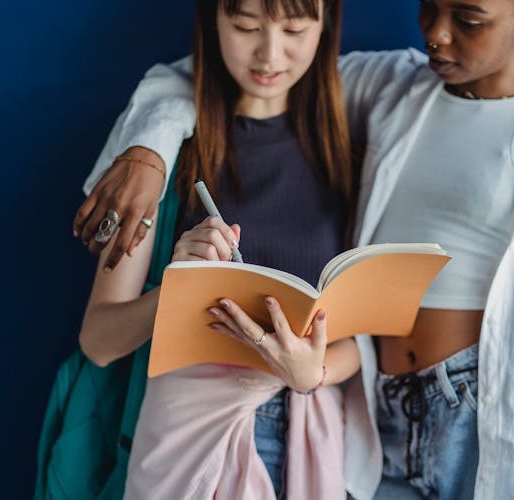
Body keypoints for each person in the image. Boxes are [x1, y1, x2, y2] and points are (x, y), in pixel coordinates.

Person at [75, 0, 514, 498]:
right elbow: (199, 80)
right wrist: (146, 153)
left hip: (480, 419)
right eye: (428, 6)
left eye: (467, 18)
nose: (435, 33)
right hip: (377, 425)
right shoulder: (391, 91)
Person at [76, 0, 361, 498]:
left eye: (294, 29)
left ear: (326, 26)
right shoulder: (163, 153)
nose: (270, 54)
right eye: (246, 26)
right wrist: (180, 286)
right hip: (185, 448)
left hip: (311, 443)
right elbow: (99, 341)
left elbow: (363, 340)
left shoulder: (347, 148)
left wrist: (311, 373)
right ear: (213, 21)